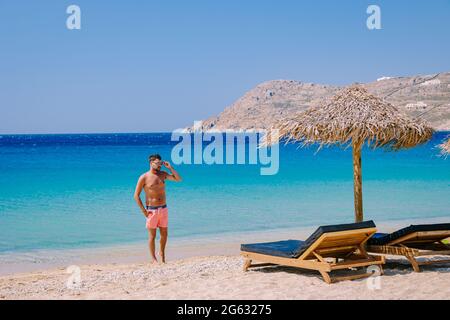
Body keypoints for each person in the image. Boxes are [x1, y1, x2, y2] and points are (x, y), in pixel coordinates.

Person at [134, 154, 182, 263]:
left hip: (163, 209)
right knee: (152, 236)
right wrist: (144, 212)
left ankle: (162, 254)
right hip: (152, 210)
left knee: (164, 234)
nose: (160, 165)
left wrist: (170, 167)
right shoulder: (144, 177)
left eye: (161, 163)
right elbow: (136, 195)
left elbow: (178, 179)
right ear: (151, 163)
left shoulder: (163, 175)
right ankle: (154, 259)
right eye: (157, 163)